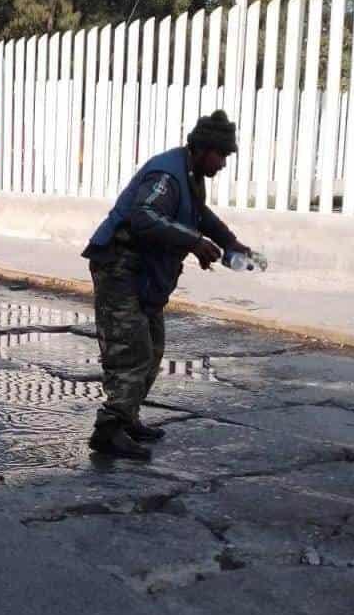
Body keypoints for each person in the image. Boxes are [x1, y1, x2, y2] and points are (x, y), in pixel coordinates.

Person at [82, 110, 252, 461]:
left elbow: (199, 214)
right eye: (221, 155)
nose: (222, 164)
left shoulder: (190, 175)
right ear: (203, 148)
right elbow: (144, 216)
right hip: (120, 267)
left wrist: (230, 242)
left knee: (153, 348)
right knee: (131, 350)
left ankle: (127, 418)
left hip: (143, 273)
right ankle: (109, 430)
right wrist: (193, 241)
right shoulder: (167, 173)